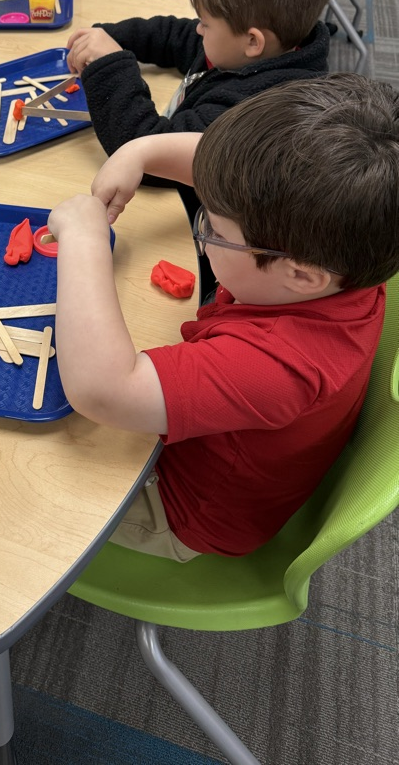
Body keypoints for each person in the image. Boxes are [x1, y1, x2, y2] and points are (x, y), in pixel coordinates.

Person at [47, 73, 399, 560]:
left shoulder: (278, 367)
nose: (204, 230)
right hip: (220, 449)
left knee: (20, 467)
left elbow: (102, 392)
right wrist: (140, 151)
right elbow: (226, 170)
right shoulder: (350, 240)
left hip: (182, 512)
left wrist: (83, 240)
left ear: (300, 274)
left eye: (211, 224)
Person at [66, 0, 345, 170]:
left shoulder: (250, 113)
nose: (198, 29)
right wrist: (110, 36)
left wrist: (112, 65)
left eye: (205, 23)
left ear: (252, 42)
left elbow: (145, 152)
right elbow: (176, 36)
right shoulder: (262, 47)